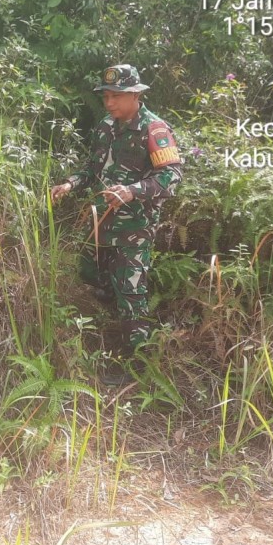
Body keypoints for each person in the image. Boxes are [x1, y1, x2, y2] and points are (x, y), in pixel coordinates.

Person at [50, 64, 183, 386]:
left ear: (136, 95)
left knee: (131, 293)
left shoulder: (154, 129)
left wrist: (133, 191)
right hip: (102, 221)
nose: (109, 103)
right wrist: (70, 184)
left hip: (134, 227)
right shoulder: (106, 126)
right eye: (106, 96)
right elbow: (93, 169)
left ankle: (137, 366)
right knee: (88, 270)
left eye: (116, 96)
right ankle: (116, 314)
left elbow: (172, 176)